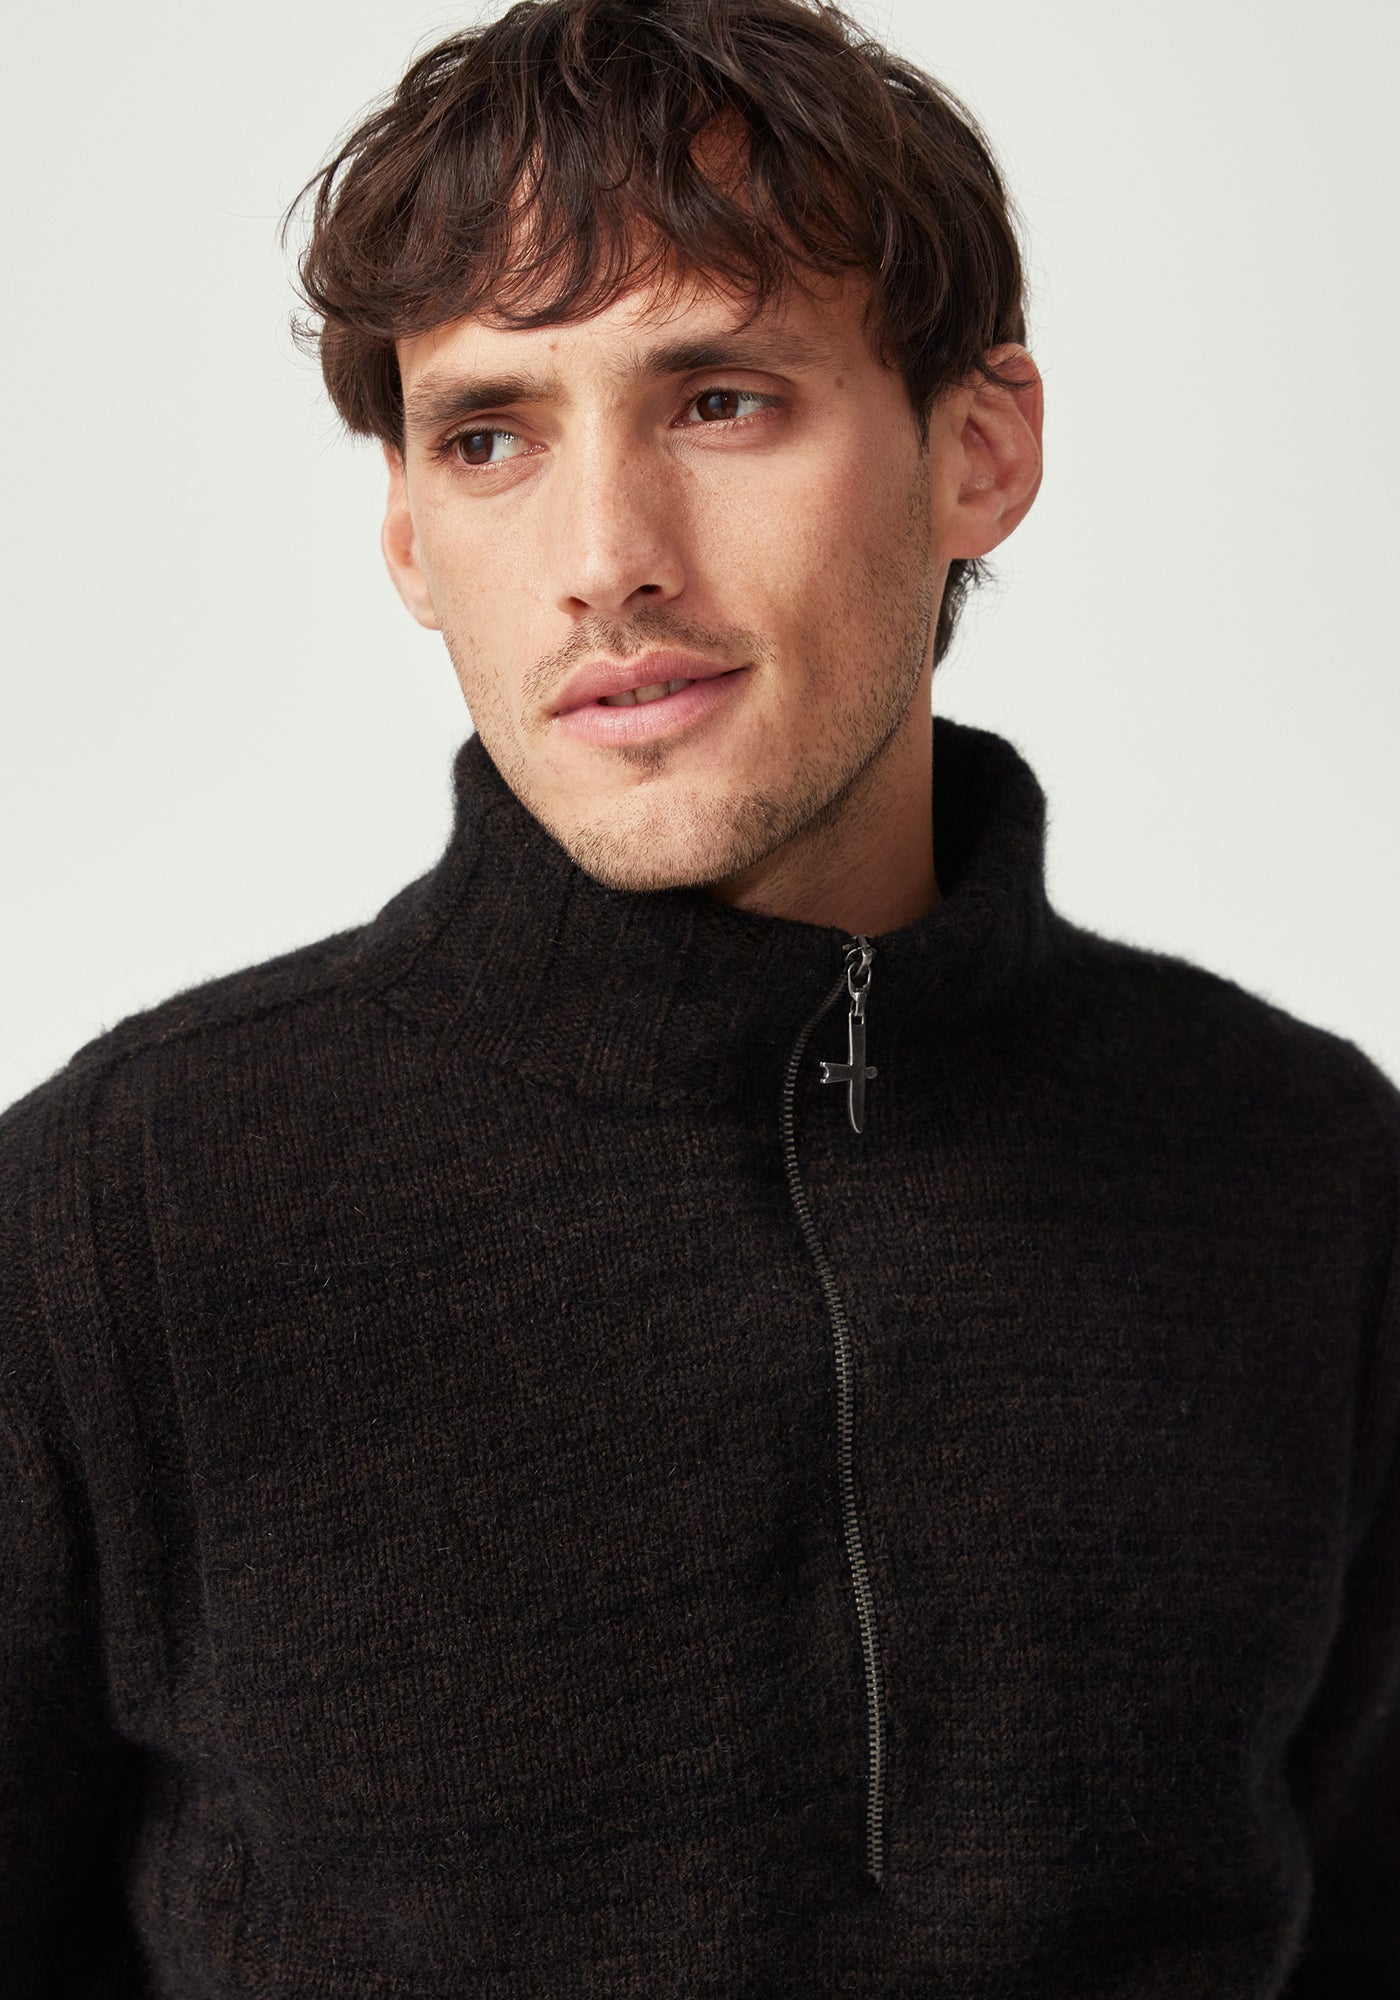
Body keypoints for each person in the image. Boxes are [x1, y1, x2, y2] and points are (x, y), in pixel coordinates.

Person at [2, 0, 1396, 1991]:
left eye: (721, 400)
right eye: (490, 437)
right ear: (409, 533)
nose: (605, 560)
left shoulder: (1309, 1173)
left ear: (979, 449)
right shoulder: (112, 1216)